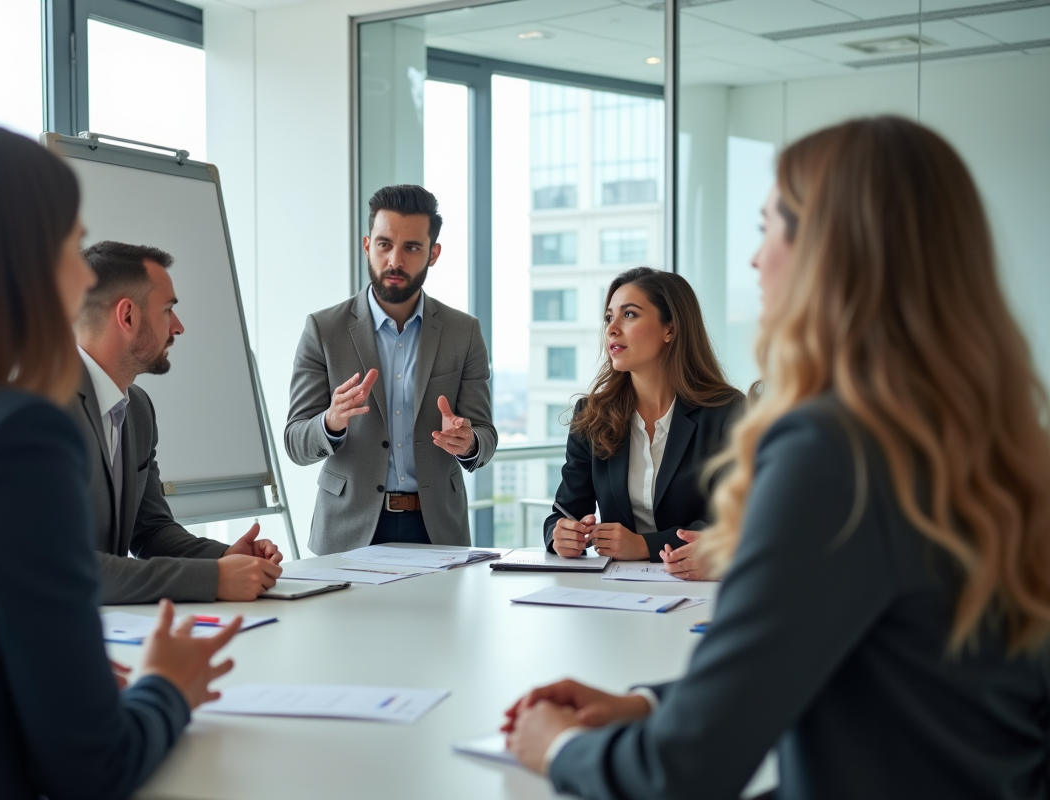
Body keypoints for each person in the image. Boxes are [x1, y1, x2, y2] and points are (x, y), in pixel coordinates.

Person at [503, 116, 1050, 799]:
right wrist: (646, 703)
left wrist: (557, 748)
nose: (756, 260)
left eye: (769, 228)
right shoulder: (992, 436)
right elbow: (869, 669)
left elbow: (685, 771)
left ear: (835, 249)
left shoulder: (832, 447)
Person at [0, 121, 244, 799]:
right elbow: (91, 765)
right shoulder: (15, 435)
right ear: (12, 261)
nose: (77, 270)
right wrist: (166, 688)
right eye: (69, 242)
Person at [285, 184, 496, 554]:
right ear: (367, 246)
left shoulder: (464, 332)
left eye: (411, 247)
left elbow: (485, 436)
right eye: (384, 244)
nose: (394, 260)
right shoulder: (323, 330)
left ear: (433, 253)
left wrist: (469, 442)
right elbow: (295, 442)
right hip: (347, 530)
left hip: (436, 530)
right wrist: (331, 422)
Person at [72, 240, 282, 604]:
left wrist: (225, 559)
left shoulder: (136, 409)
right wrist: (212, 579)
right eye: (168, 310)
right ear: (127, 317)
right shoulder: (41, 409)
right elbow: (65, 567)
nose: (179, 327)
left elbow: (150, 530)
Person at [545, 267, 744, 576]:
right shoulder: (592, 414)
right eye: (609, 318)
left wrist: (644, 545)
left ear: (671, 329)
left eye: (630, 315)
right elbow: (564, 510)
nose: (612, 329)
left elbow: (732, 519)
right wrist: (561, 535)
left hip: (701, 585)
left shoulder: (725, 411)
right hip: (617, 591)